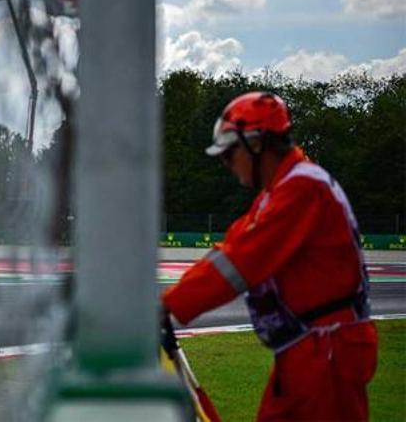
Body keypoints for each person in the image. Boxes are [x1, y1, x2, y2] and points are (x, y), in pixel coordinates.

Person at [161, 91, 377, 421]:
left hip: (326, 351)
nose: (226, 164)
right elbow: (230, 250)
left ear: (256, 144)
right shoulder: (282, 190)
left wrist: (168, 307)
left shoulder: (301, 188)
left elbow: (240, 262)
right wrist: (167, 303)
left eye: (229, 154)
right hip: (308, 348)